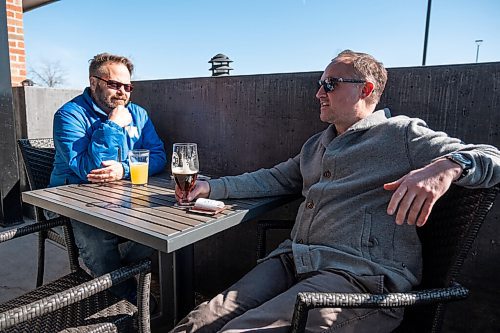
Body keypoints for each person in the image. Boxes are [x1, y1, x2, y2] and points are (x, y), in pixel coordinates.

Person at [171, 50, 500, 332]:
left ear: (365, 90)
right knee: (199, 321)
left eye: (330, 84)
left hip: (358, 280)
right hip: (294, 260)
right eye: (320, 84)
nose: (319, 93)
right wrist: (212, 185)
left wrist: (446, 167)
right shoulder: (318, 144)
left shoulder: (400, 133)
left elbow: (492, 158)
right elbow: (274, 179)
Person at [49, 52, 167, 301]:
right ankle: (129, 299)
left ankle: (110, 276)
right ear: (94, 83)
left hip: (120, 196)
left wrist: (123, 169)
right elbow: (88, 169)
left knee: (160, 227)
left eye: (127, 86)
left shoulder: (139, 114)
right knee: (98, 237)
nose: (122, 92)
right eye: (114, 84)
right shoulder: (68, 116)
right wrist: (113, 125)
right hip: (72, 200)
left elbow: (158, 155)